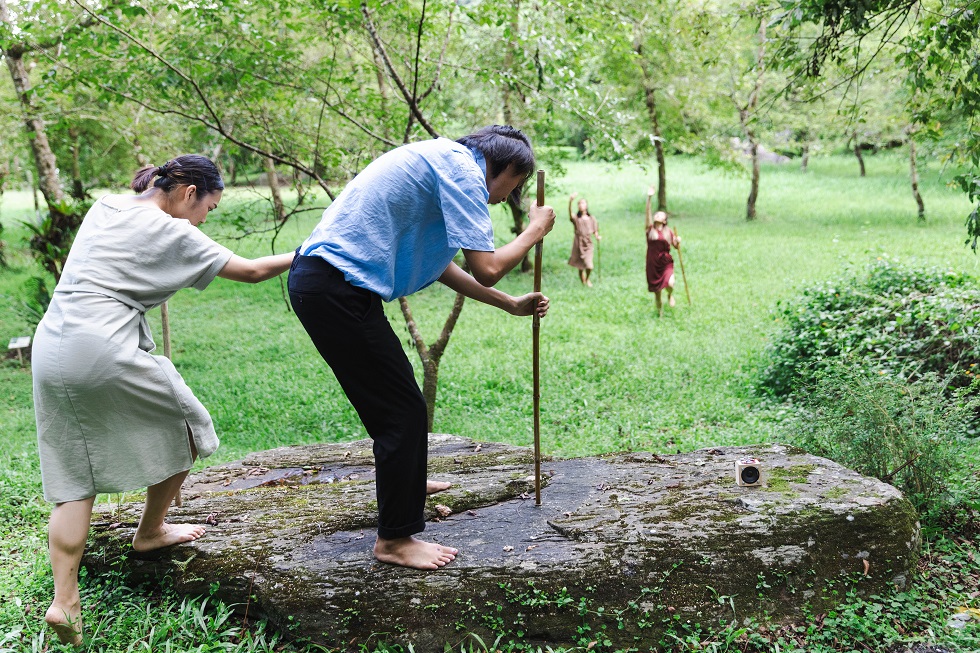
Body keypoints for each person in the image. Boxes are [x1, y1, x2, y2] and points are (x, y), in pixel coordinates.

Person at [32, 154, 295, 646]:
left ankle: (64, 600)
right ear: (190, 192)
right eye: (209, 208)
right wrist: (311, 253)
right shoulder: (173, 231)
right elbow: (255, 271)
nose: (203, 220)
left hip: (51, 347)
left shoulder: (106, 206)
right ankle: (150, 530)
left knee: (73, 477)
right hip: (102, 348)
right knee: (189, 426)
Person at [288, 125, 556, 571]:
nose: (511, 194)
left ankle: (407, 484)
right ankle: (394, 539)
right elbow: (487, 267)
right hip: (334, 288)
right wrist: (533, 230)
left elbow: (440, 265)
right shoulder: (463, 172)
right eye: (516, 184)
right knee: (402, 410)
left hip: (328, 284)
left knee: (397, 400)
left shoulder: (443, 162)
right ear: (505, 167)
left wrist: (508, 303)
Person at [645, 186, 680, 317]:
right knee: (657, 292)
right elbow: (647, 214)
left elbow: (675, 246)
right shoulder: (650, 230)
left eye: (660, 214)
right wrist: (649, 198)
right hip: (653, 263)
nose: (657, 215)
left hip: (665, 261)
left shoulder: (668, 232)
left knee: (670, 283)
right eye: (656, 214)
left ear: (665, 220)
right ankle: (660, 313)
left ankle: (670, 294)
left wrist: (678, 241)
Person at [567, 193, 600, 286]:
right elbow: (570, 214)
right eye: (579, 204)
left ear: (586, 205)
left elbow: (595, 230)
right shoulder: (576, 218)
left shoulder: (591, 218)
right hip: (578, 243)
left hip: (588, 243)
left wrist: (597, 236)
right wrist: (570, 201)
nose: (581, 205)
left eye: (583, 203)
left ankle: (587, 279)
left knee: (589, 265)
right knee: (580, 266)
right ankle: (583, 282)